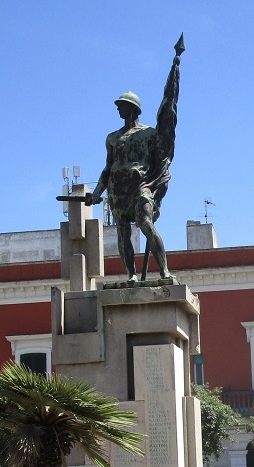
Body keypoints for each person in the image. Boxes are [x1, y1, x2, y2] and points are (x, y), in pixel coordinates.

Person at [87, 36, 184, 282]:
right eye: (119, 105)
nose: (119, 108)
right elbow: (107, 168)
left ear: (134, 109)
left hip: (142, 185)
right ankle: (131, 275)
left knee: (145, 222)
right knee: (122, 234)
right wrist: (97, 192)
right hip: (117, 189)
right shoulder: (112, 138)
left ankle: (164, 270)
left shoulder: (149, 134)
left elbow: (162, 146)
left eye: (123, 105)